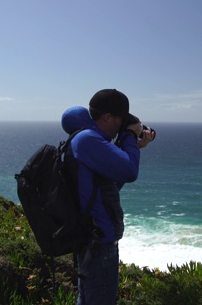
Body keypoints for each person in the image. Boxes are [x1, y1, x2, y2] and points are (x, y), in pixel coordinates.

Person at [60, 89, 153, 305]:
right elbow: (130, 172)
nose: (122, 125)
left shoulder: (90, 140)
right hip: (97, 242)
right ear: (108, 117)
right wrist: (129, 137)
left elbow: (108, 186)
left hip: (94, 238)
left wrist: (132, 146)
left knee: (89, 299)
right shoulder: (88, 140)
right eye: (121, 119)